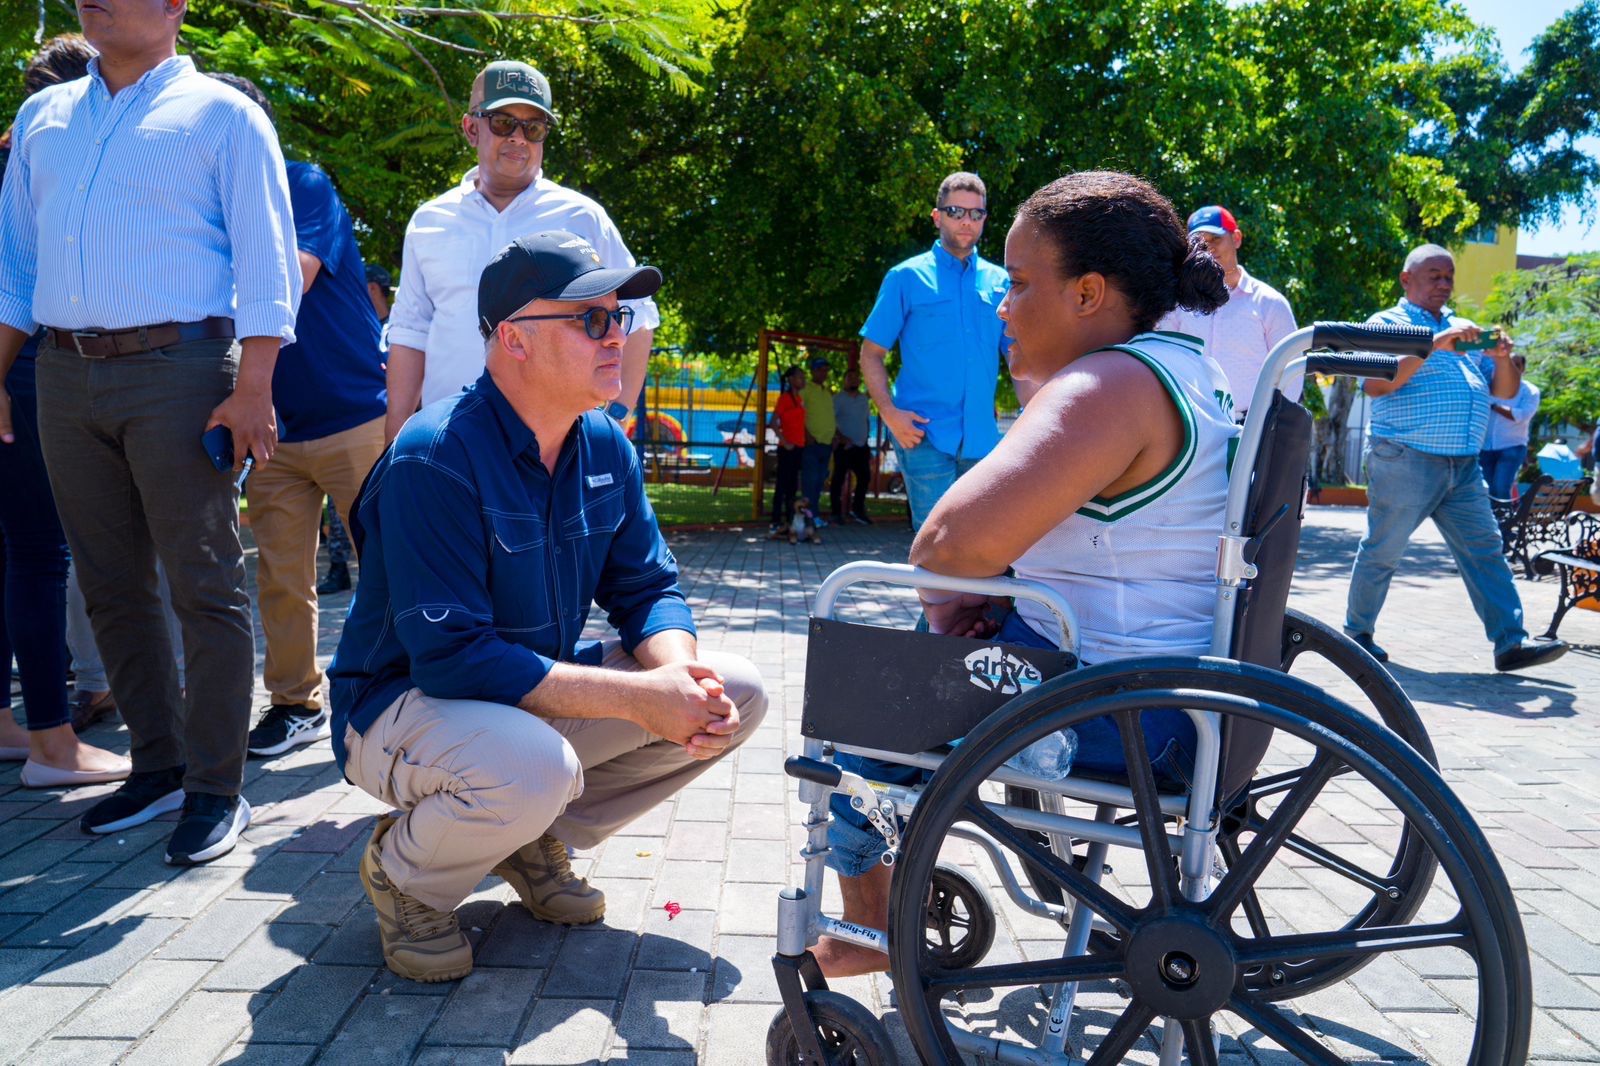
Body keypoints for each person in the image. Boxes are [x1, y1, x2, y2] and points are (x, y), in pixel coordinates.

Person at [815, 170, 1236, 978]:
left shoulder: (1108, 385)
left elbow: (942, 546)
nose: (1002, 305)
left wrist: (951, 612)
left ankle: (870, 921)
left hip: (1114, 709)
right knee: (911, 665)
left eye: (1019, 284)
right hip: (1176, 690)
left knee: (868, 692)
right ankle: (887, 884)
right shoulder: (1193, 370)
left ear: (1086, 294)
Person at [327, 231, 767, 983]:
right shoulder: (432, 455)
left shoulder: (604, 444)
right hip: (400, 704)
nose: (617, 337)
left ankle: (523, 836)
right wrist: (639, 698)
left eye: (619, 319)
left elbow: (647, 590)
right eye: (591, 320)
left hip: (510, 702)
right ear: (513, 340)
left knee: (737, 691)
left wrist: (678, 683)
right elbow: (453, 658)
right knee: (534, 766)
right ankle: (404, 874)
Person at [0, 0, 301, 863]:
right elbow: (16, 264)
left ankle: (217, 786)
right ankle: (157, 765)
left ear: (174, 6)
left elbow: (266, 261)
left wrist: (254, 389)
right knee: (107, 582)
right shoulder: (43, 116)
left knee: (202, 584)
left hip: (182, 372)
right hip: (61, 372)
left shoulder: (224, 116)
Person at [203, 74, 389, 759]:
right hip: (272, 428)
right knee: (281, 576)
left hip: (354, 418)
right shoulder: (201, 205)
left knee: (391, 564)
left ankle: (404, 691)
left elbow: (293, 276)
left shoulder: (301, 182)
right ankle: (294, 704)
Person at [384, 60, 659, 442]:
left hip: (553, 447)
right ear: (470, 127)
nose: (518, 138)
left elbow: (640, 316)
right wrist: (396, 438)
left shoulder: (582, 217)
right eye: (502, 122)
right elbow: (411, 332)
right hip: (447, 443)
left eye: (533, 128)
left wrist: (614, 417)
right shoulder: (429, 221)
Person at [0, 33, 131, 788]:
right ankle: (53, 742)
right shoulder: (50, 165)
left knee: (7, 551)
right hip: (23, 367)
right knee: (38, 552)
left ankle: (9, 722)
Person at [1345, 244, 1567, 673]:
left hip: (1463, 466)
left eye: (1449, 277)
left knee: (1486, 550)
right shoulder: (1386, 324)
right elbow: (1375, 384)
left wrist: (1502, 359)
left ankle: (1511, 643)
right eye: (1434, 276)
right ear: (1407, 280)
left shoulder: (1462, 328)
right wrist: (1435, 344)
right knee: (1383, 549)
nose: (1444, 284)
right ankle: (1356, 635)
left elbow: (1503, 392)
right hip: (1406, 458)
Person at [859, 172, 1010, 530]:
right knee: (935, 549)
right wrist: (890, 414)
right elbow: (871, 353)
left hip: (983, 442)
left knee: (980, 547)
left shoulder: (1000, 282)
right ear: (937, 216)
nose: (966, 221)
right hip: (924, 437)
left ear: (985, 219)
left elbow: (1020, 358)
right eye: (956, 211)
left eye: (976, 214)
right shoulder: (905, 277)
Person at [1156, 205, 1299, 418]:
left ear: (1237, 238)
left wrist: (1268, 426)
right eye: (1201, 242)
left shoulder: (1269, 303)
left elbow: (1292, 374)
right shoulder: (1179, 304)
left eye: (1215, 238)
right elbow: (1163, 358)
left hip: (1252, 427)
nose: (1209, 248)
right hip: (1193, 425)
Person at [1479, 354, 1540, 499]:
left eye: (1517, 365)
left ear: (1523, 368)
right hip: (1485, 447)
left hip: (1511, 446)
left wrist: (1494, 406)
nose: (1512, 368)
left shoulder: (1530, 391)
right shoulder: (1487, 387)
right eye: (1509, 364)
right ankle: (1494, 521)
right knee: (1487, 492)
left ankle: (1505, 521)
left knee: (1501, 490)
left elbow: (1523, 416)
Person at [830, 366, 873, 524]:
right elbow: (831, 421)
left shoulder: (863, 399)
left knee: (864, 478)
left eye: (856, 377)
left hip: (861, 446)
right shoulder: (838, 399)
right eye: (850, 377)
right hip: (844, 446)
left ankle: (858, 510)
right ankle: (836, 512)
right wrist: (841, 437)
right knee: (838, 479)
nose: (853, 380)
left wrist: (866, 437)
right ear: (844, 381)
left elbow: (866, 420)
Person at [767, 365, 806, 535]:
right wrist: (785, 441)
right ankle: (775, 521)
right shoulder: (784, 399)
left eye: (803, 377)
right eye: (799, 377)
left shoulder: (800, 399)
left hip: (799, 448)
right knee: (782, 486)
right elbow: (773, 422)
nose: (802, 380)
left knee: (792, 487)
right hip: (787, 449)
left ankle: (790, 520)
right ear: (790, 379)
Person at [799, 355, 836, 527]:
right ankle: (808, 516)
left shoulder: (828, 392)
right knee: (810, 481)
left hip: (827, 443)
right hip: (812, 444)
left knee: (820, 481)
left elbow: (829, 416)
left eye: (826, 370)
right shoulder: (805, 389)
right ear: (813, 371)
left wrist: (834, 434)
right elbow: (798, 415)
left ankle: (814, 515)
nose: (824, 373)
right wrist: (806, 434)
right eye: (820, 369)